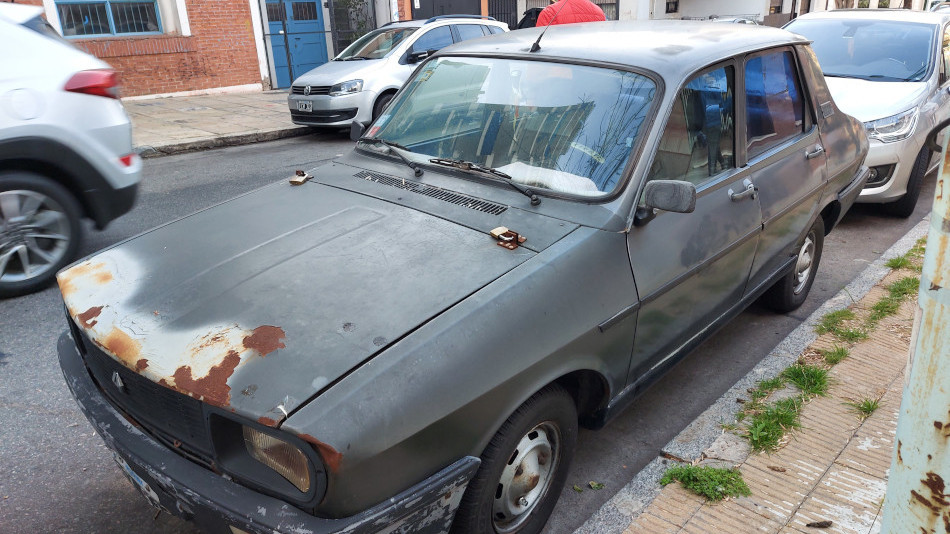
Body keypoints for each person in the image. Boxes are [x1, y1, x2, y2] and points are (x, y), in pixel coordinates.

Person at [535, 0, 606, 27]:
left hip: (560, 58)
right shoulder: (599, 11)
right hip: (592, 58)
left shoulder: (549, 12)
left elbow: (539, 47)